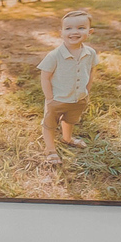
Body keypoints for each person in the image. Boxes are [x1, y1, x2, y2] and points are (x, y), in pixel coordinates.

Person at [40, 8, 97, 148]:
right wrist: (49, 98)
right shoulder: (54, 55)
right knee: (49, 124)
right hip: (57, 99)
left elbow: (91, 71)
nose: (74, 32)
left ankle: (67, 138)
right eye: (68, 28)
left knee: (70, 120)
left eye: (81, 28)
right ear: (61, 33)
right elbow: (45, 77)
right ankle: (50, 149)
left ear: (90, 31)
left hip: (78, 98)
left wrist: (86, 91)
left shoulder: (90, 53)